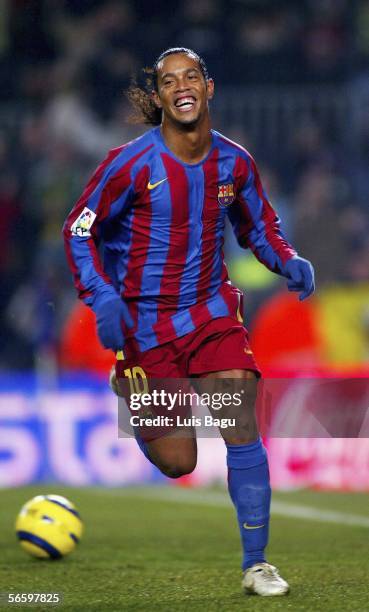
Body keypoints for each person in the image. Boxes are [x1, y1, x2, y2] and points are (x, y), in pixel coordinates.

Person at [63, 47, 315, 597]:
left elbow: (260, 227)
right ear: (158, 98)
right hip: (146, 329)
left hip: (211, 313)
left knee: (240, 420)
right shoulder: (127, 164)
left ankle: (257, 565)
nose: (182, 86)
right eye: (169, 80)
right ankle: (129, 387)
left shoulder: (235, 162)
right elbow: (78, 230)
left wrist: (287, 259)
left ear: (209, 87)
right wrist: (101, 295)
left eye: (191, 75)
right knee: (179, 462)